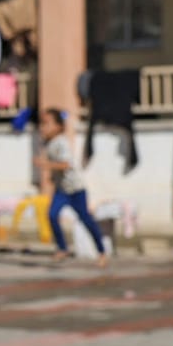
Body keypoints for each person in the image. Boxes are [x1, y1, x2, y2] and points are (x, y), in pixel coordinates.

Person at [38, 109, 108, 264]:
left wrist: (46, 165)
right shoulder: (48, 143)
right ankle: (62, 248)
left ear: (58, 126)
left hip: (76, 189)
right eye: (41, 124)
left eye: (46, 124)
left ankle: (101, 251)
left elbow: (65, 164)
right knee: (52, 215)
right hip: (61, 190)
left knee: (85, 219)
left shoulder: (61, 142)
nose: (42, 128)